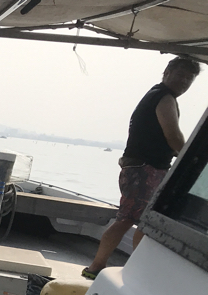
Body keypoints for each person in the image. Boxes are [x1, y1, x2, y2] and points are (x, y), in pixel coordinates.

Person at [83, 56, 201, 279]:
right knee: (132, 220)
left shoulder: (156, 94)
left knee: (139, 220)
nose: (184, 81)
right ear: (167, 72)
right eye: (180, 75)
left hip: (142, 167)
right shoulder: (164, 98)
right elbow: (173, 135)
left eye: (189, 79)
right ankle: (98, 267)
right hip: (145, 169)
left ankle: (128, 269)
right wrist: (190, 160)